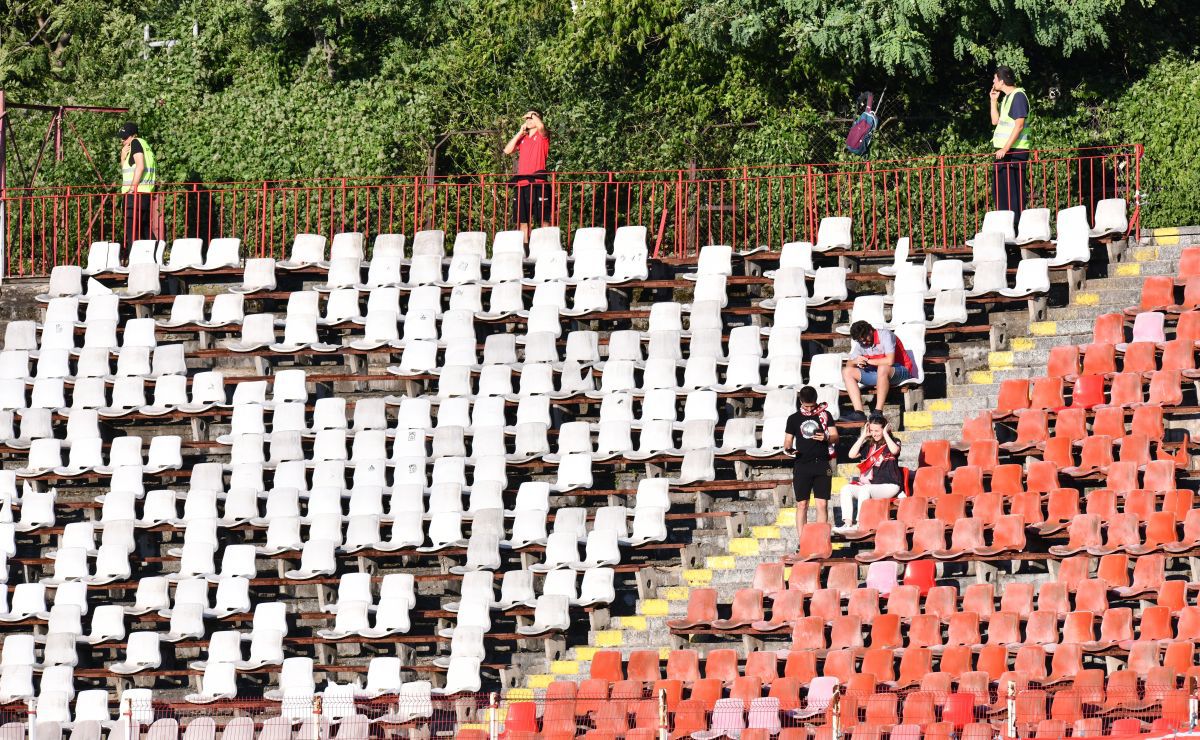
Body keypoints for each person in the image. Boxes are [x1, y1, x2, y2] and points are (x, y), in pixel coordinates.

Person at [783, 386, 839, 534]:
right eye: (806, 406)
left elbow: (835, 437)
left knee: (822, 504)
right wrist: (789, 449)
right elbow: (787, 441)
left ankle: (820, 539)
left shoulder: (825, 415)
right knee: (802, 504)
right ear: (801, 402)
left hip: (821, 464)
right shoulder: (793, 418)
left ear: (816, 401)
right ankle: (803, 540)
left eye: (812, 406)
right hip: (802, 465)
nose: (809, 409)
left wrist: (826, 437)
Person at [835, 414, 903, 533]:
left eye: (877, 431)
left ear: (885, 428)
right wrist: (863, 436)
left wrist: (886, 434)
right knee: (846, 489)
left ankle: (860, 523)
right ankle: (848, 524)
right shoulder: (869, 445)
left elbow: (894, 450)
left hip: (890, 485)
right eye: (872, 430)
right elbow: (851, 455)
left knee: (865, 489)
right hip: (871, 486)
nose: (874, 434)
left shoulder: (894, 441)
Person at [841, 321, 918, 422]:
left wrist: (868, 361)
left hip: (901, 370)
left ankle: (878, 411)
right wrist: (855, 361)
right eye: (860, 341)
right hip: (879, 374)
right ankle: (859, 413)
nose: (864, 343)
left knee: (883, 368)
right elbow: (849, 365)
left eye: (865, 339)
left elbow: (890, 361)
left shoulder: (886, 335)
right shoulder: (861, 343)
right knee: (846, 372)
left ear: (870, 331)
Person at [503, 109, 551, 244]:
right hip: (522, 184)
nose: (529, 120)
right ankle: (526, 250)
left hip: (539, 183)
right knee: (523, 222)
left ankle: (545, 247)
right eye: (527, 118)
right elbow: (507, 150)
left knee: (543, 220)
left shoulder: (543, 135)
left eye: (532, 117)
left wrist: (533, 114)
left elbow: (541, 126)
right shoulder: (523, 138)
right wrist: (519, 133)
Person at [989, 65, 1031, 219]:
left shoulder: (1018, 96)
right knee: (1001, 192)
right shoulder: (1007, 97)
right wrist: (993, 101)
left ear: (1001, 81)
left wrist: (1005, 149)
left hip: (1014, 152)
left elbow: (1019, 126)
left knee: (1013, 194)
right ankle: (1005, 225)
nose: (993, 81)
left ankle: (1016, 225)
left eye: (995, 79)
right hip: (1004, 152)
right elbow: (995, 121)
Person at [116, 122, 157, 256]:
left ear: (134, 135)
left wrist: (132, 189)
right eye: (121, 138)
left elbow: (140, 166)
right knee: (143, 227)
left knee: (131, 228)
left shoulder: (135, 143)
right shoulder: (144, 145)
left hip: (135, 193)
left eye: (125, 137)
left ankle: (135, 259)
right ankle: (155, 256)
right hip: (144, 193)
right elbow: (128, 168)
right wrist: (123, 157)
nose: (122, 140)